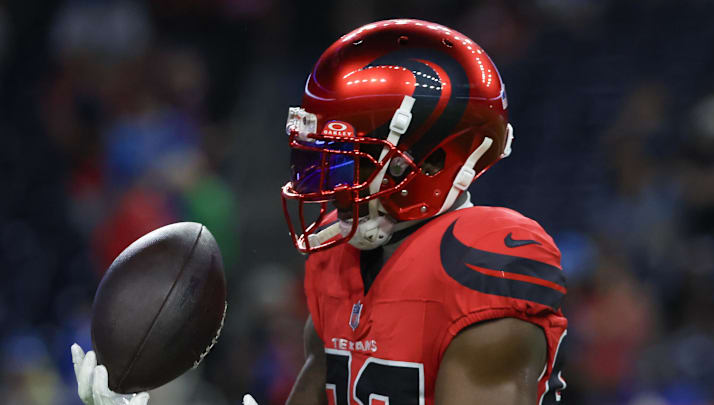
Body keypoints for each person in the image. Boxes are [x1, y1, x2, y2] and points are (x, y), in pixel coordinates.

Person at [72, 19, 567, 405]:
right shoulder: (339, 258)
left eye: (349, 160)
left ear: (432, 160)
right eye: (318, 160)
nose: (326, 185)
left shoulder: (482, 262)